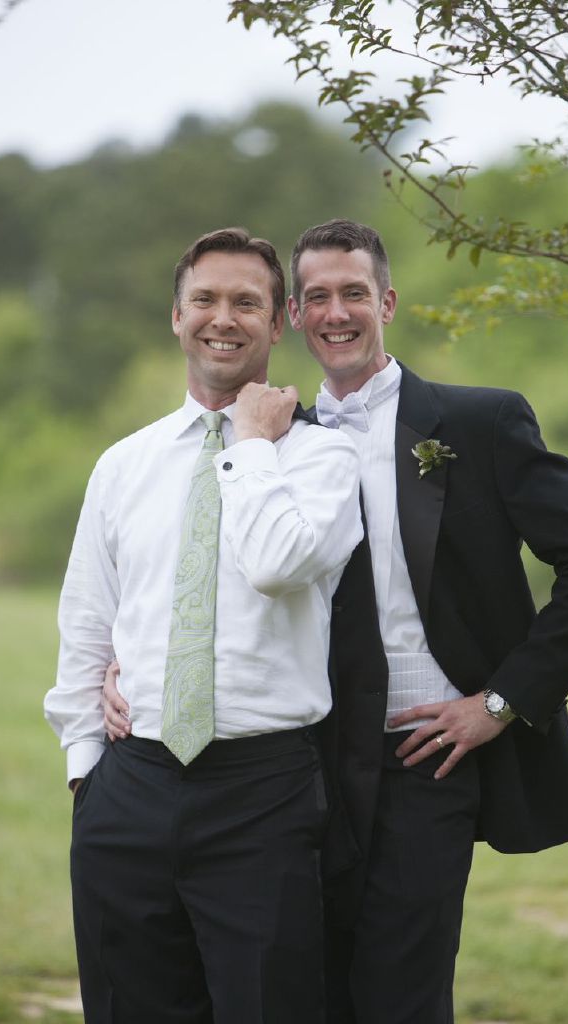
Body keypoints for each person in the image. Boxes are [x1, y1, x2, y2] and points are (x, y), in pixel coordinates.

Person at [103, 219, 568, 1024]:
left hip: (419, 761)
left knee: (400, 999)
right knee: (295, 995)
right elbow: (208, 573)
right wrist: (127, 667)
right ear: (293, 316)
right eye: (316, 296)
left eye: (354, 293)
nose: (336, 313)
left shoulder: (478, 424)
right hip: (290, 773)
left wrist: (500, 701)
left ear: (386, 302)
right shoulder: (265, 440)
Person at [44, 226, 363, 1024]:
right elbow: (88, 621)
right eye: (205, 300)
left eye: (246, 302)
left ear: (278, 322)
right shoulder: (124, 464)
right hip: (129, 789)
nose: (223, 318)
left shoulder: (324, 459)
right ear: (176, 315)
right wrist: (87, 775)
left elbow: (277, 563)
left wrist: (251, 443)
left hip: (263, 795)